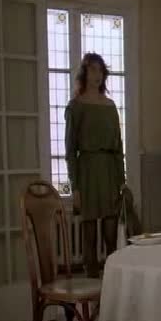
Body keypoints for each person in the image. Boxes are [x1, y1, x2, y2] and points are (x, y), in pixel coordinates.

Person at [65, 53, 125, 278]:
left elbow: (118, 147)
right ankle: (91, 277)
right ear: (84, 73)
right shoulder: (76, 106)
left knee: (111, 230)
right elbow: (70, 150)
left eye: (100, 70)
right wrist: (75, 186)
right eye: (92, 70)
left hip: (109, 171)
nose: (97, 75)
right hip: (87, 171)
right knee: (89, 230)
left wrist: (121, 180)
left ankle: (113, 278)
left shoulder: (110, 106)